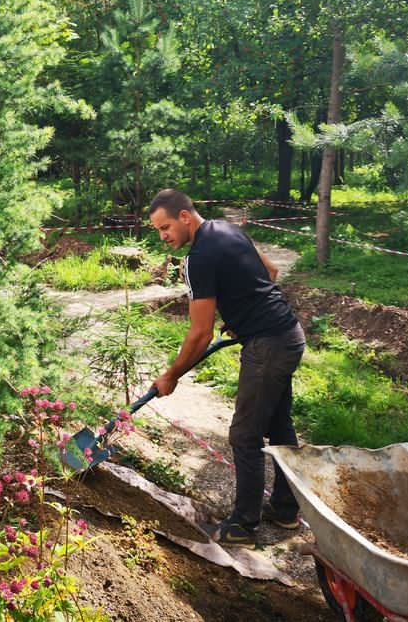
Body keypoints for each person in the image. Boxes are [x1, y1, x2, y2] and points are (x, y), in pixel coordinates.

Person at [148, 188, 305, 546]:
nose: (163, 236)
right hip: (289, 334)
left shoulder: (198, 257)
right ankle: (284, 510)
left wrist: (172, 375)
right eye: (158, 230)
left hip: (268, 345)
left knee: (244, 434)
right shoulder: (227, 229)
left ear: (185, 216)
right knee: (279, 426)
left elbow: (200, 332)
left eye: (165, 227)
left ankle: (243, 525)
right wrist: (245, 315)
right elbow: (270, 271)